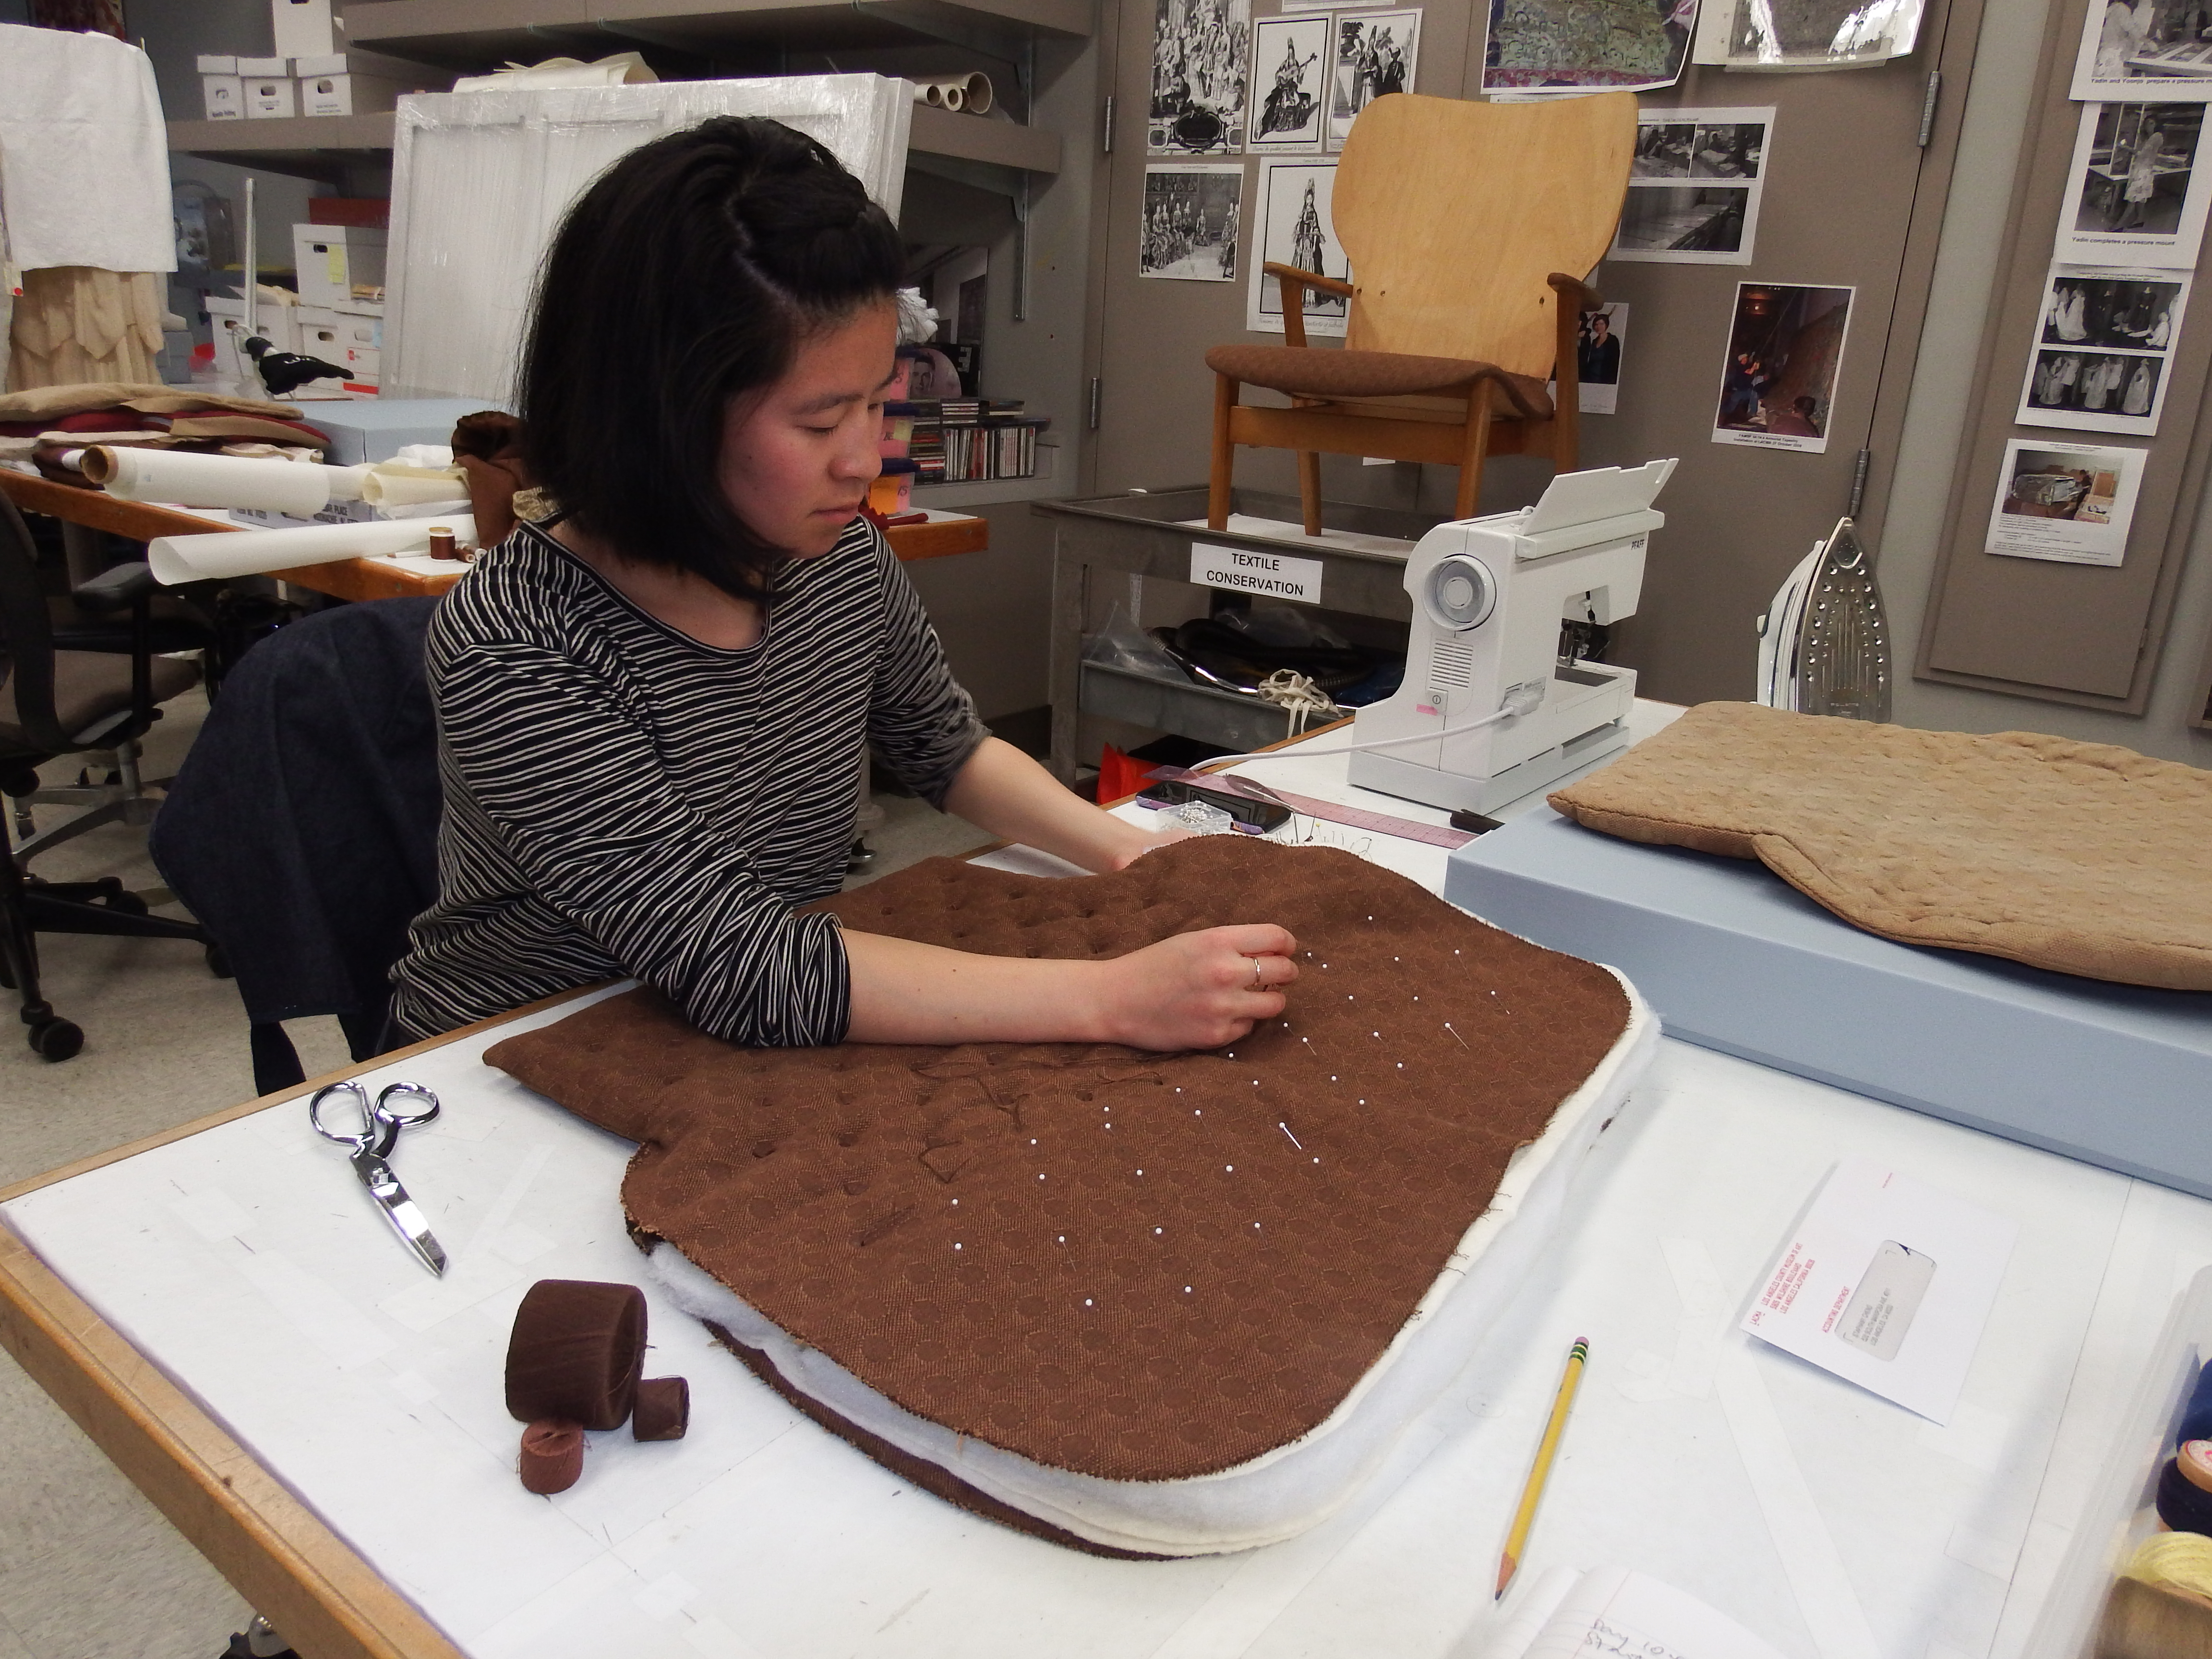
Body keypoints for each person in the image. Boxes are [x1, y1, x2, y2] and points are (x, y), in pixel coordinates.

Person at [389, 118, 1299, 1051]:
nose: (864, 460)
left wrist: (1126, 851)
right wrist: (1112, 1000)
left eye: (877, 404)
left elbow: (945, 749)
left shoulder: (835, 561)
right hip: (515, 1057)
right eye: (822, 422)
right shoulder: (520, 641)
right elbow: (739, 964)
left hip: (747, 1021)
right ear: (661, 416)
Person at [1577, 310, 1621, 385]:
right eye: (1596, 324)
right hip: (1591, 378)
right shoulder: (1594, 341)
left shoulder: (1612, 340)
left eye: (1602, 324)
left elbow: (1615, 362)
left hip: (1604, 379)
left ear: (1606, 325)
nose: (1599, 327)